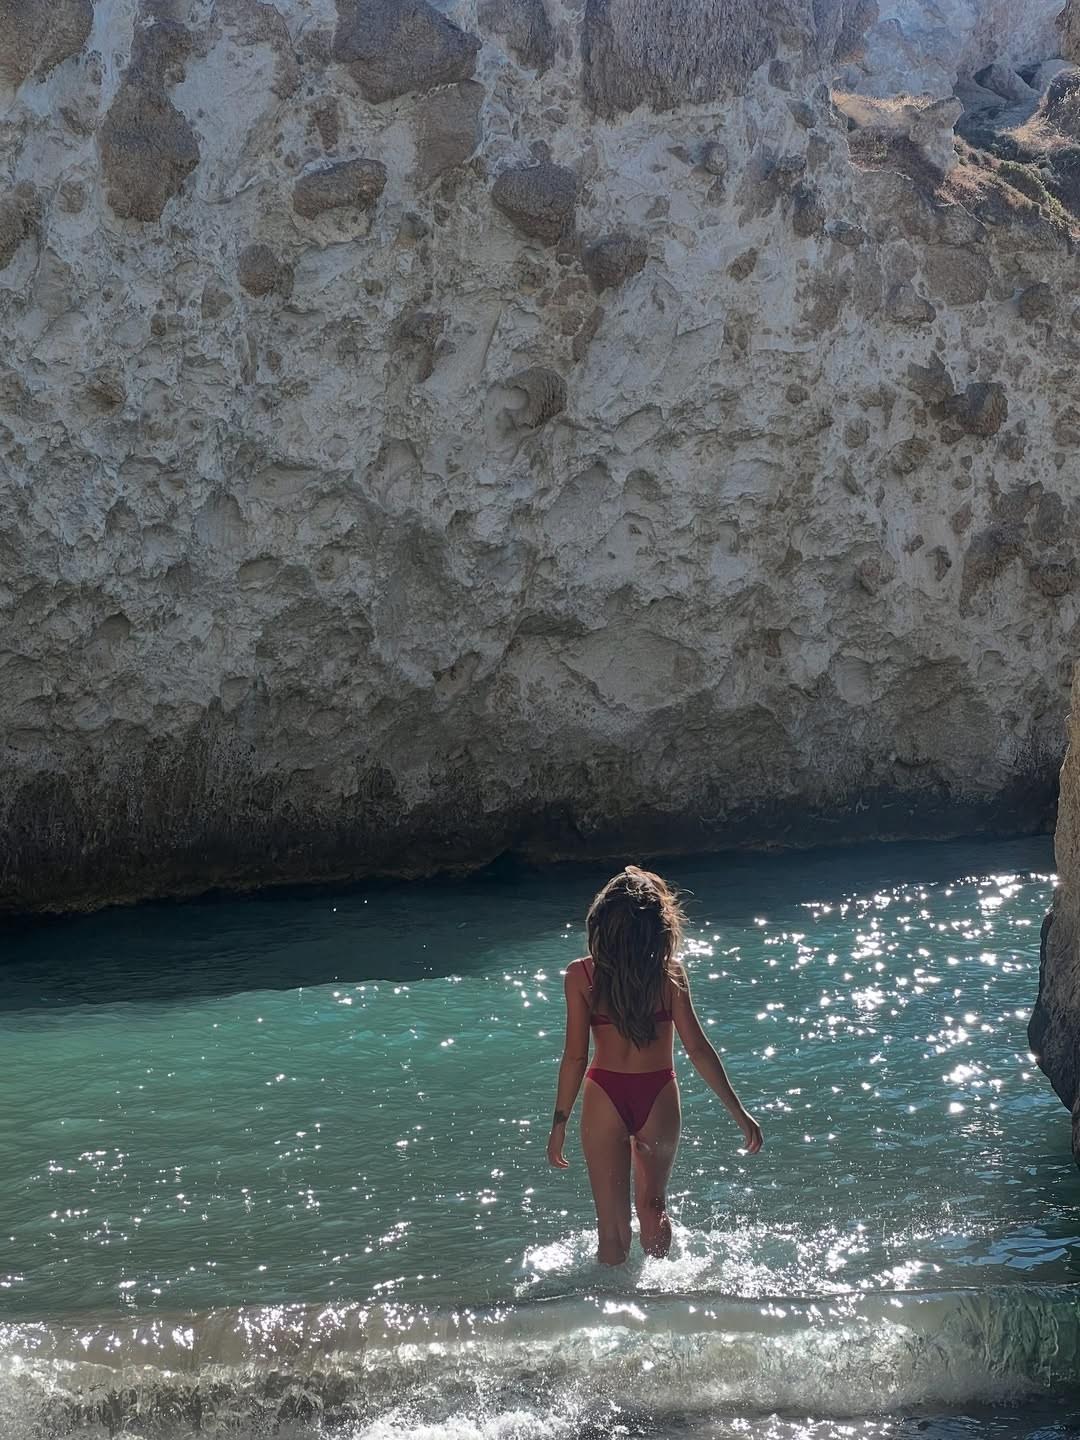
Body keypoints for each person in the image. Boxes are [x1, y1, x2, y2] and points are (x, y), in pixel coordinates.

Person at [546, 865, 763, 1265]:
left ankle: (610, 1303)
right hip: (658, 1093)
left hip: (604, 1095)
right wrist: (738, 1111)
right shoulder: (670, 974)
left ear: (601, 924)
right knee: (653, 1207)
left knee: (611, 1228)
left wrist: (559, 1124)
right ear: (658, 927)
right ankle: (662, 1294)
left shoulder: (581, 974)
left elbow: (575, 1057)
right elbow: (697, 1049)